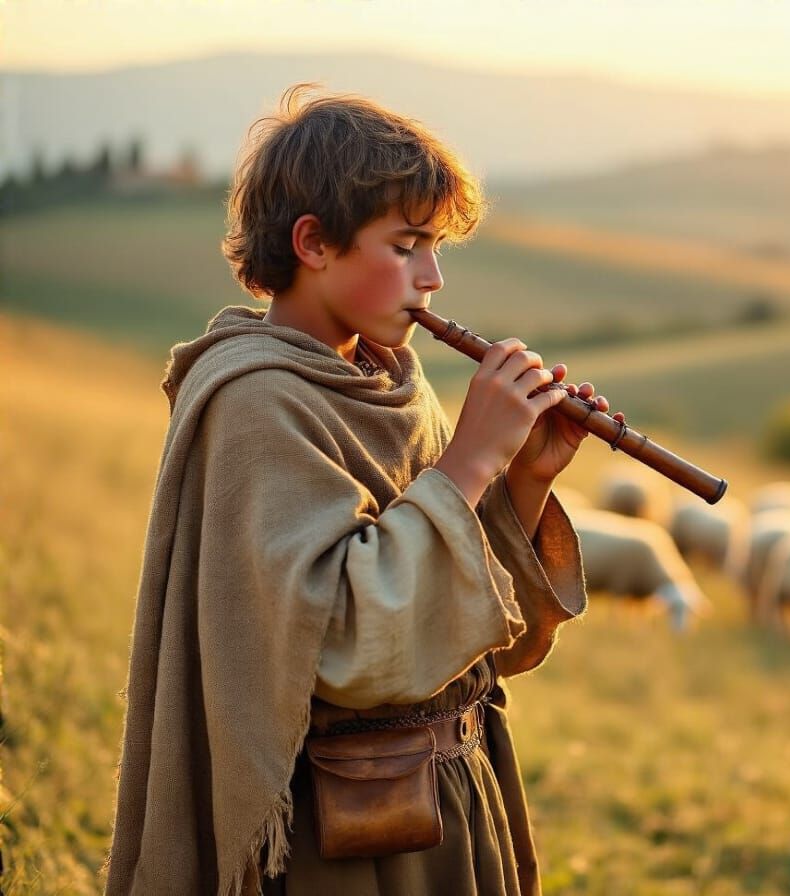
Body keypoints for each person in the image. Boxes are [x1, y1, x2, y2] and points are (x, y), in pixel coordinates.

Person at [105, 84, 618, 895]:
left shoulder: (394, 385)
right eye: (408, 244)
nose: (434, 276)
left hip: (448, 797)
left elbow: (467, 633)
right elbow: (340, 643)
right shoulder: (253, 402)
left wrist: (522, 478)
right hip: (342, 834)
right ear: (313, 242)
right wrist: (473, 460)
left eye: (437, 246)